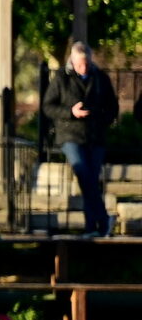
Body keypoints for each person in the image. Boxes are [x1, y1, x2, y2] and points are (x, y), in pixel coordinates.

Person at [43, 41, 120, 237]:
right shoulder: (61, 77)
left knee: (90, 180)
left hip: (95, 136)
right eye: (79, 65)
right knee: (83, 172)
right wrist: (70, 112)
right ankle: (103, 221)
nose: (83, 68)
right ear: (72, 61)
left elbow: (112, 106)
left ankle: (92, 227)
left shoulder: (100, 78)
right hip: (71, 135)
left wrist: (101, 118)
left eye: (85, 64)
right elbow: (48, 107)